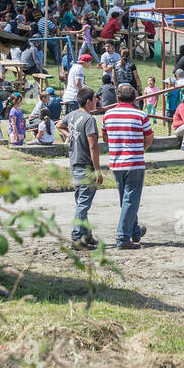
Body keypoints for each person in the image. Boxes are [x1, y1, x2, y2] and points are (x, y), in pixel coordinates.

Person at [101, 83, 153, 249]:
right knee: (131, 200)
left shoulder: (107, 115)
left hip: (116, 163)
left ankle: (135, 231)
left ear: (117, 98)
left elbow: (105, 138)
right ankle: (123, 237)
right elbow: (149, 138)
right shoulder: (140, 115)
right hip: (134, 162)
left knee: (126, 199)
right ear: (135, 99)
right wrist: (140, 149)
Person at [58, 87, 103, 250]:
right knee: (83, 205)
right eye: (95, 99)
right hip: (86, 166)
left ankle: (86, 235)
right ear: (89, 101)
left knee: (81, 203)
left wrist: (69, 135)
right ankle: (76, 238)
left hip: (74, 164)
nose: (97, 101)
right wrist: (97, 170)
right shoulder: (89, 120)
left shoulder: (72, 115)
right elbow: (93, 147)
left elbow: (59, 125)